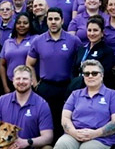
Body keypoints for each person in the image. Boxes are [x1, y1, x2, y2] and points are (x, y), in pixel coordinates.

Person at [26, 8, 82, 136]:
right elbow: (29, 63)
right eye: (50, 19)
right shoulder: (38, 41)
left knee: (64, 120)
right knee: (45, 121)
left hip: (67, 87)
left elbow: (82, 62)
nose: (53, 22)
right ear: (46, 21)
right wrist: (35, 84)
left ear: (62, 21)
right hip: (46, 87)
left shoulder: (73, 40)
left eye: (56, 19)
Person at [70, 17, 115, 91]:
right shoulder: (82, 49)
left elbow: (103, 75)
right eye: (89, 30)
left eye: (95, 30)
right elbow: (73, 70)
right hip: (77, 89)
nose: (92, 33)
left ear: (102, 33)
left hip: (95, 90)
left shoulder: (107, 51)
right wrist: (74, 83)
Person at [0, 15, 33, 93]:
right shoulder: (8, 42)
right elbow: (2, 65)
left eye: (25, 23)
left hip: (28, 83)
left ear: (30, 25)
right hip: (11, 83)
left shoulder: (35, 39)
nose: (21, 25)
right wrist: (5, 86)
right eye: (18, 23)